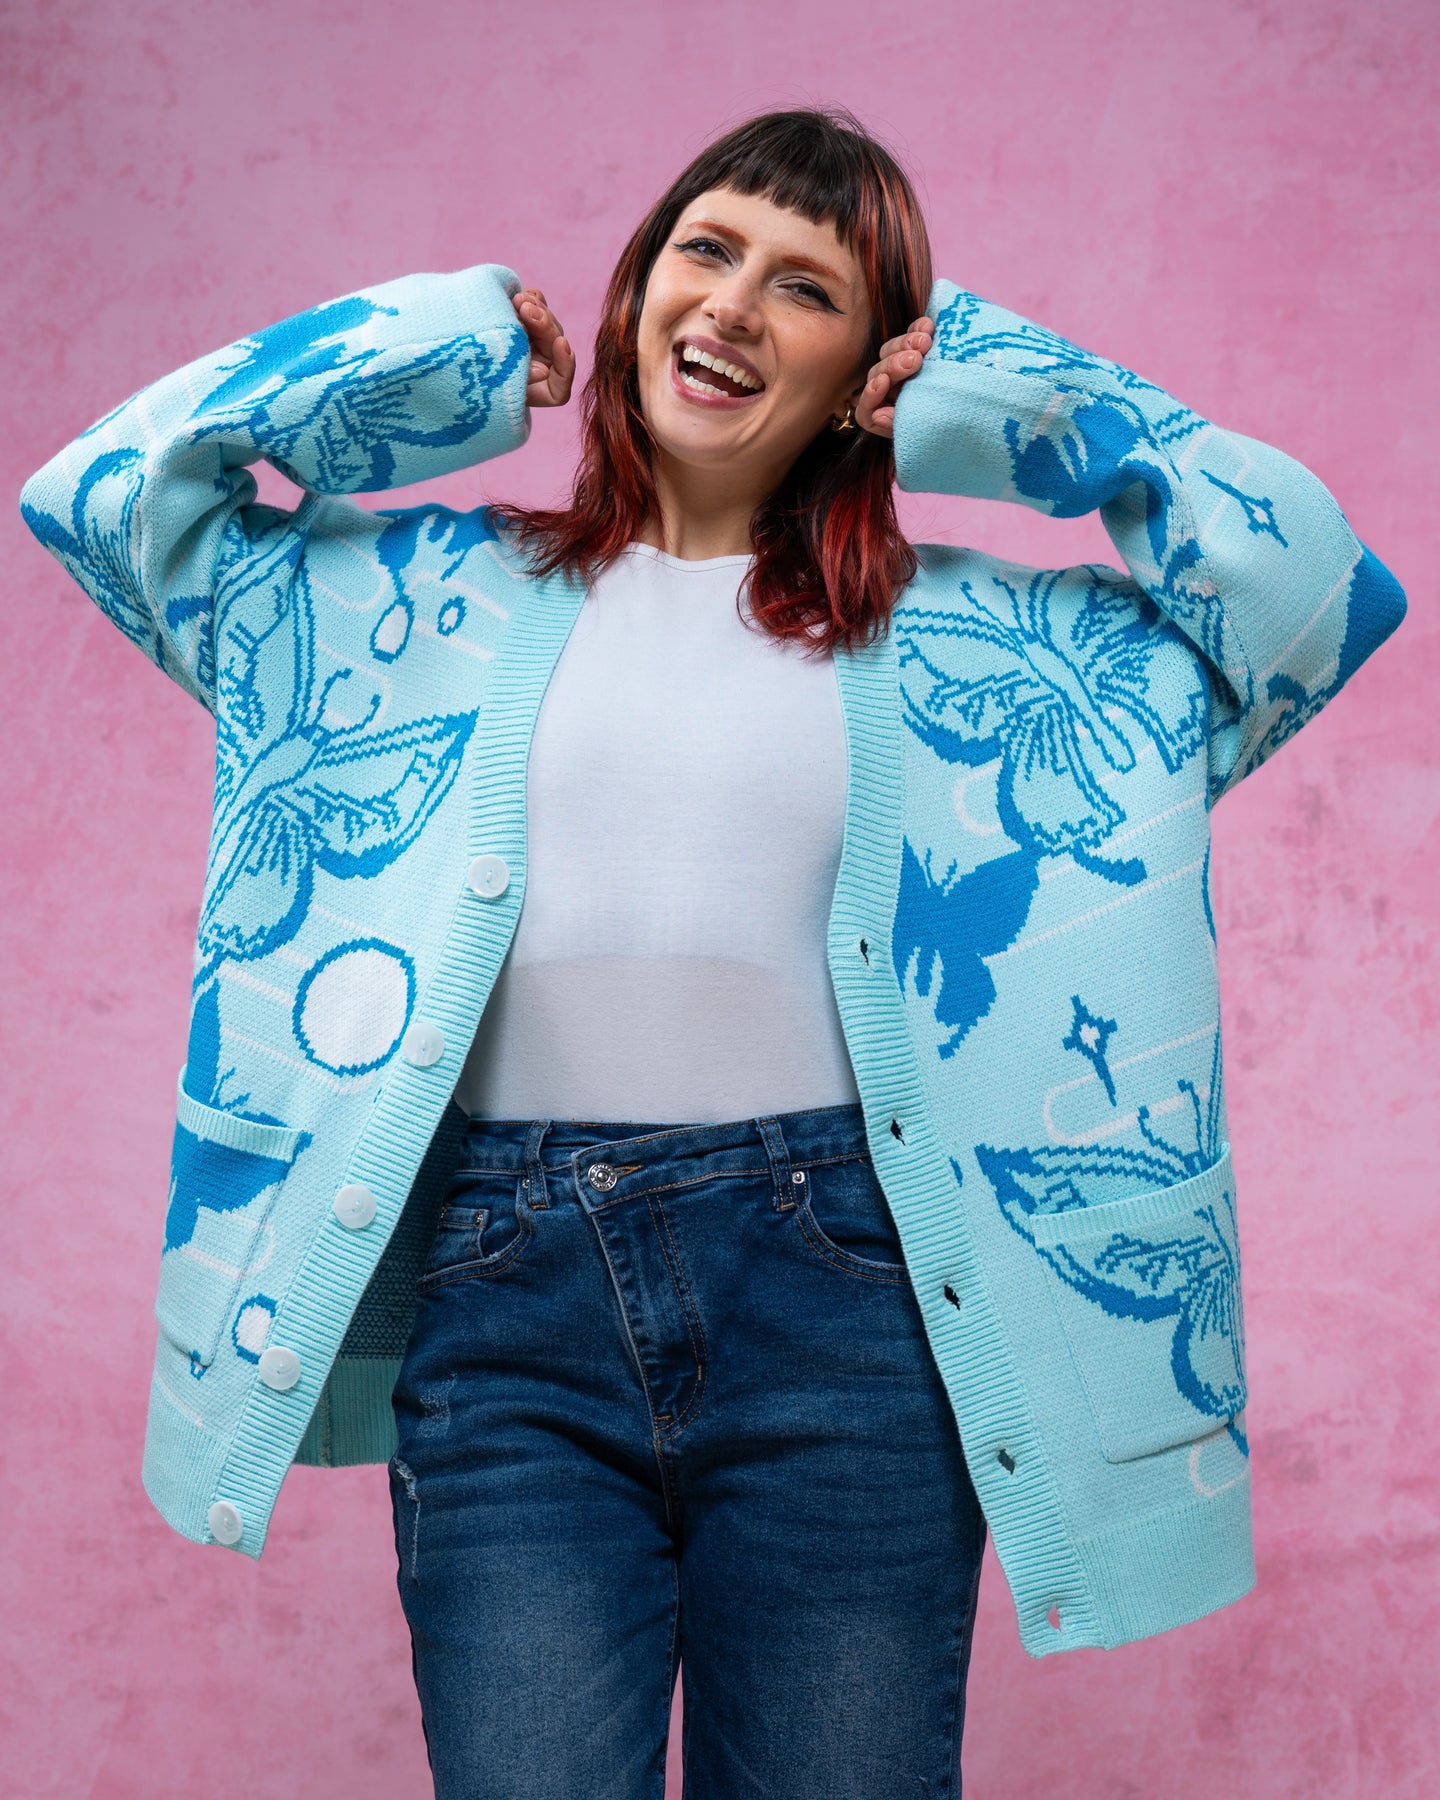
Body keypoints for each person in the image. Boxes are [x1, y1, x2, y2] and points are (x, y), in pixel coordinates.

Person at [18, 107, 1405, 1798]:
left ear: (873, 374)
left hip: (853, 1312)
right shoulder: (403, 603)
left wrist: (1020, 403)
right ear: (634, 295)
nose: (736, 306)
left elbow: (1310, 596)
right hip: (503, 1305)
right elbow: (108, 495)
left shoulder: (996, 643)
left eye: (807, 288)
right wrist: (432, 358)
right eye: (708, 250)